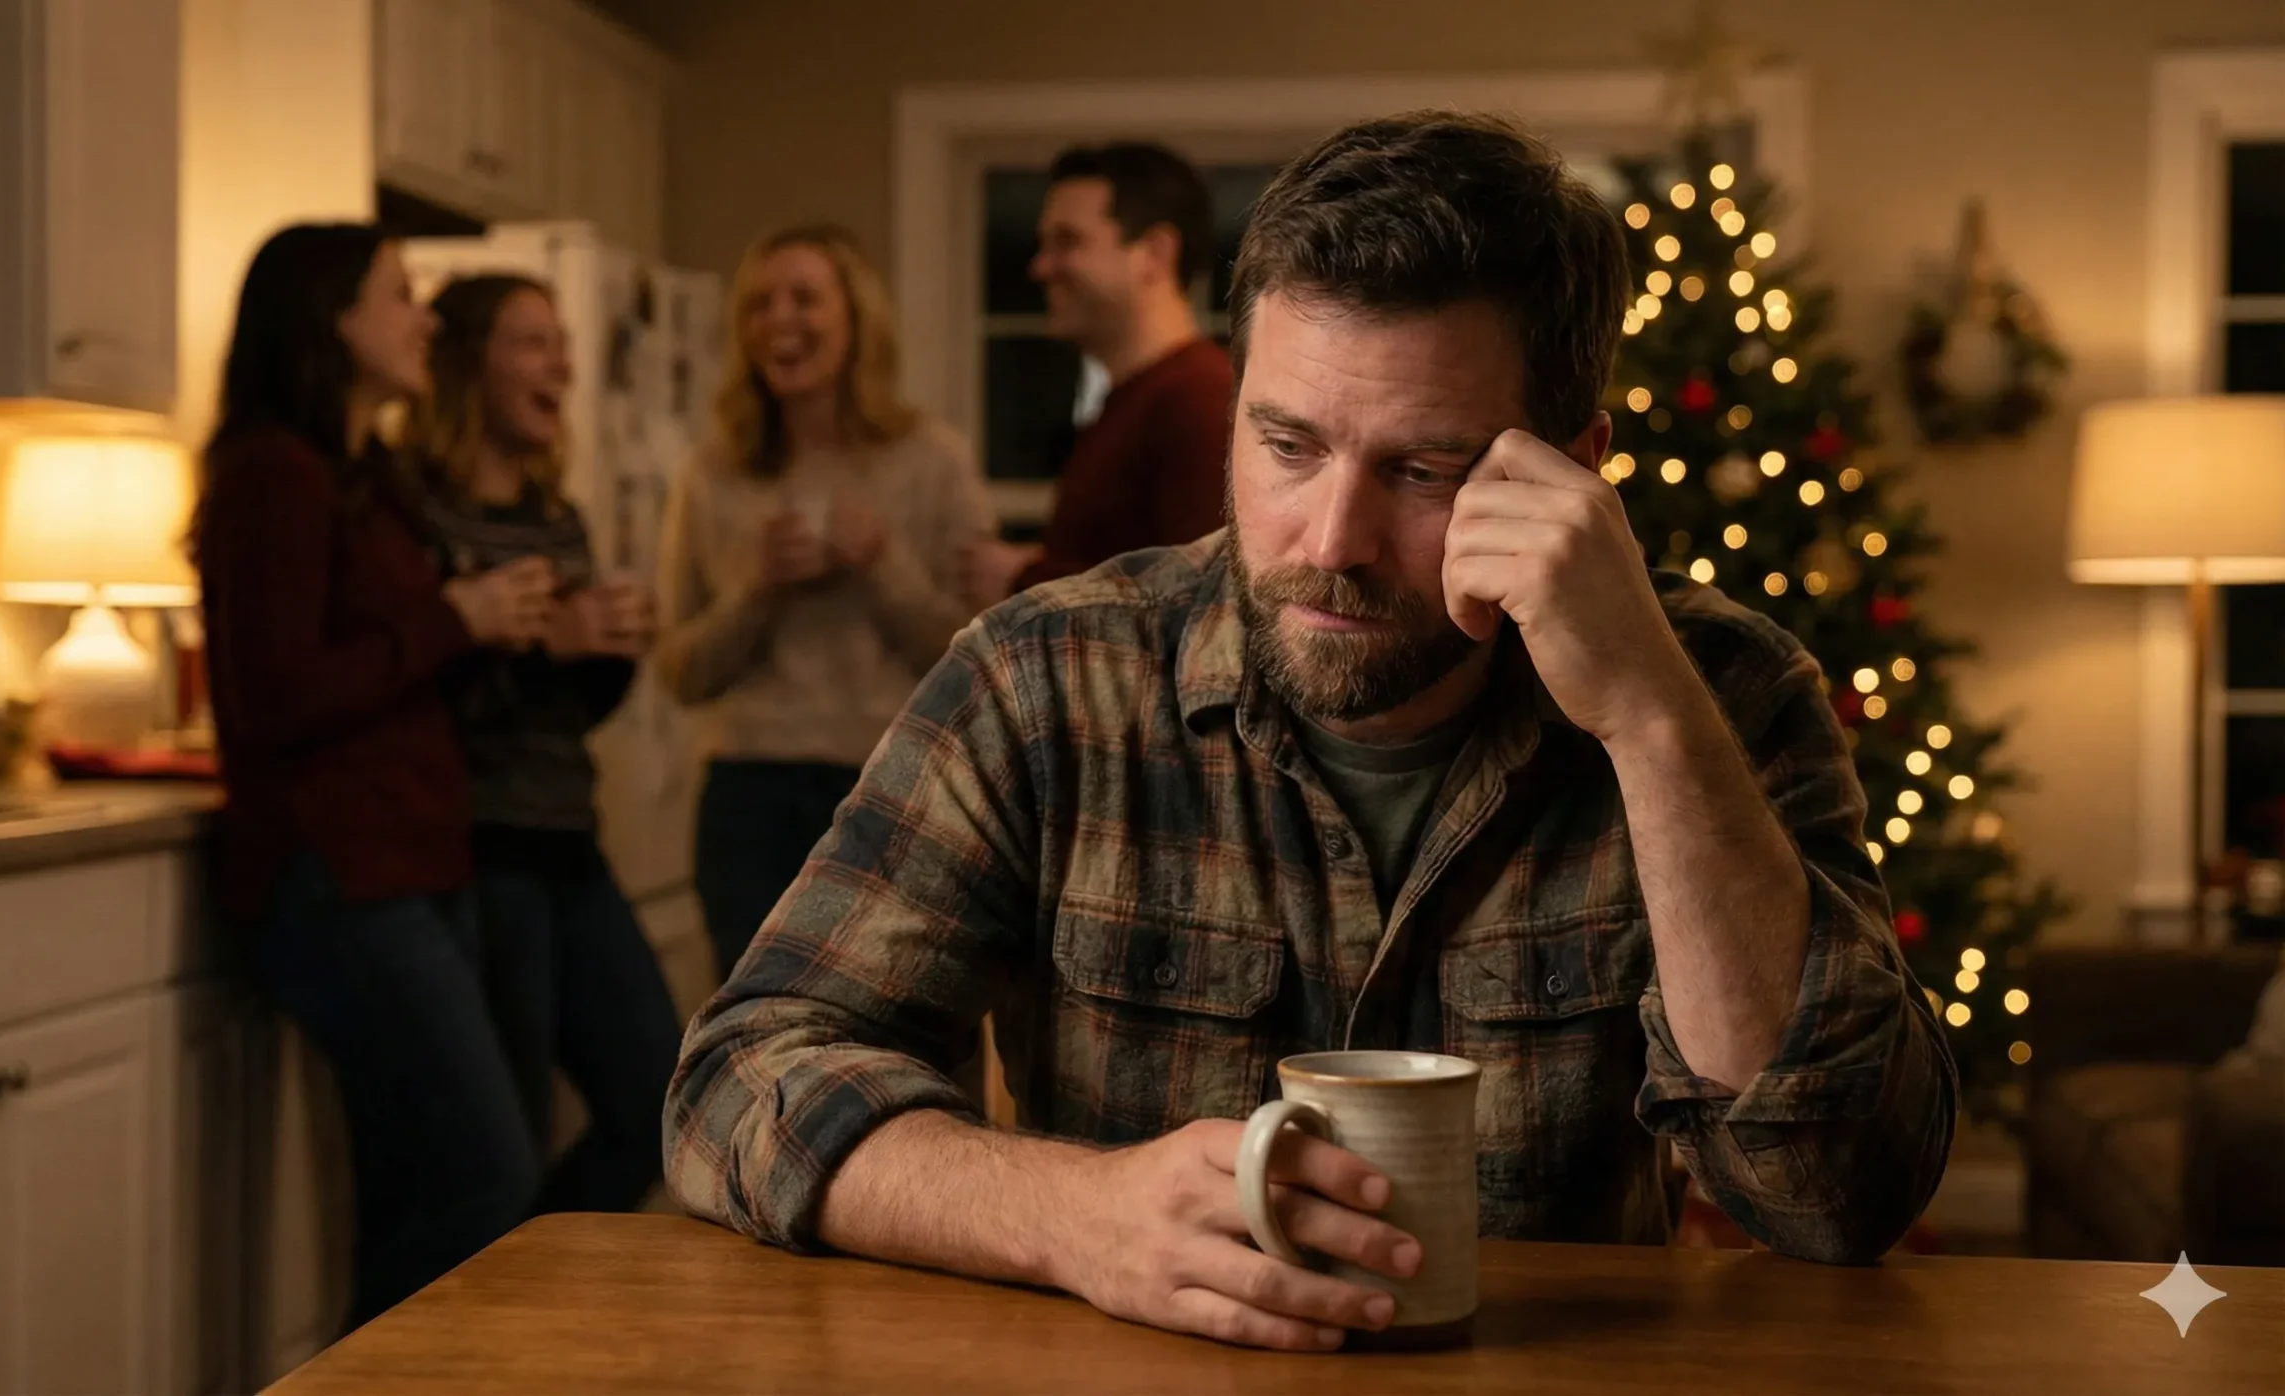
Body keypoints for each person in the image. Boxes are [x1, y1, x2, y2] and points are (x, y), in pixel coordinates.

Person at [665, 113, 1957, 1352]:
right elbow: (740, 1084)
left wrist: (1651, 725)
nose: (1330, 545)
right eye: (1287, 444)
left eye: (1422, 471)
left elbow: (1833, 1194)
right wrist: (1067, 1217)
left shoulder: (1716, 695)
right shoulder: (1044, 681)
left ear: (1571, 467)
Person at [196, 223, 557, 1329]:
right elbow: (270, 697)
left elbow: (398, 658)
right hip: (339, 876)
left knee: (424, 1184)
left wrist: (517, 629)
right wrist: (452, 619)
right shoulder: (272, 472)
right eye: (401, 294)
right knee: (487, 1177)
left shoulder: (366, 473)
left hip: (413, 858)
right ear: (331, 320)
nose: (427, 318)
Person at [410, 272, 683, 1215]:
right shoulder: (415, 509)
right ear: (467, 363)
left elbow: (565, 713)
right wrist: (545, 644)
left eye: (562, 343)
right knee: (504, 1135)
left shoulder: (553, 513)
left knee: (661, 1097)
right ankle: (497, 1328)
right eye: (532, 341)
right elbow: (418, 701)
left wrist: (609, 649)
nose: (561, 363)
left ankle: (534, 1265)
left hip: (571, 840)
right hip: (481, 856)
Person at [654, 224, 994, 979]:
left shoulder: (931, 459)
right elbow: (678, 671)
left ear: (855, 320)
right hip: (748, 793)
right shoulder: (711, 472)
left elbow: (979, 664)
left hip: (893, 783)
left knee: (911, 1017)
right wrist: (757, 589)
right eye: (758, 305)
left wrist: (882, 565)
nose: (780, 321)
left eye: (804, 299)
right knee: (755, 1029)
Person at [961, 142, 1237, 608]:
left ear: (1154, 252)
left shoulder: (1198, 399)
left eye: (1067, 242)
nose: (1040, 267)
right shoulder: (1129, 398)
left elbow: (1207, 605)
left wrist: (1026, 578)